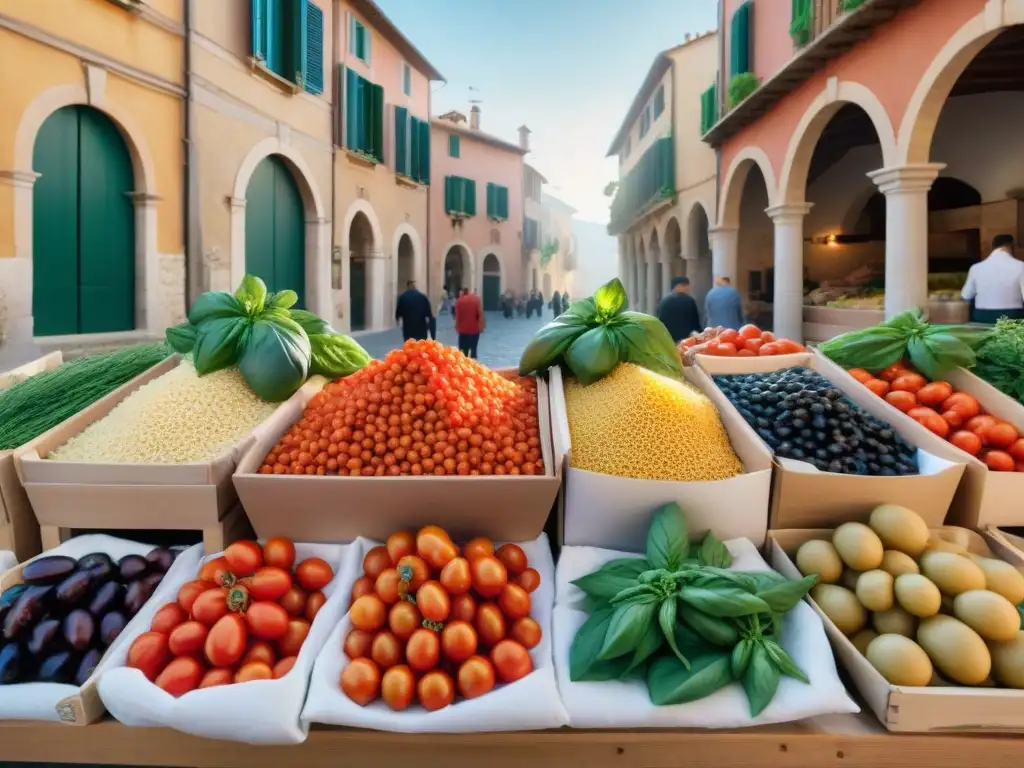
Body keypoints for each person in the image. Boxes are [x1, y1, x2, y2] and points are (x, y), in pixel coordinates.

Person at [961, 234, 1024, 323]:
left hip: (982, 316)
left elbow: (965, 295)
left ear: (993, 247)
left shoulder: (976, 268)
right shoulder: (1021, 266)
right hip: (1012, 316)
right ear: (1011, 246)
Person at [657, 277, 702, 343]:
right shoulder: (689, 300)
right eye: (685, 286)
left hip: (668, 338)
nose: (687, 288)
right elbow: (695, 322)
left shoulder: (664, 301)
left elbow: (660, 320)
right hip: (686, 339)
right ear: (678, 286)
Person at [454, 288, 485, 359]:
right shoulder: (476, 300)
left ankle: (464, 365)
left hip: (463, 330)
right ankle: (473, 364)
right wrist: (481, 327)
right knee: (473, 350)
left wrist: (457, 327)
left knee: (463, 352)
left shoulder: (459, 301)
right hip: (474, 329)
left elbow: (457, 316)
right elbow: (480, 314)